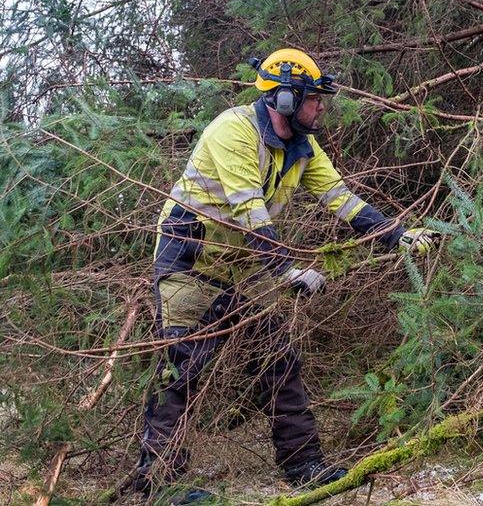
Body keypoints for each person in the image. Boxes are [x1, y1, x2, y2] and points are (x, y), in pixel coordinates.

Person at [131, 48, 439, 501]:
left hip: (240, 264)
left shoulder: (302, 147)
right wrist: (286, 270)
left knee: (277, 353)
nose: (321, 108)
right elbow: (248, 207)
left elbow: (341, 199)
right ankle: (159, 483)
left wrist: (398, 236)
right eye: (314, 99)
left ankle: (302, 464)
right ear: (287, 100)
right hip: (190, 258)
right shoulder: (233, 129)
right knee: (182, 368)